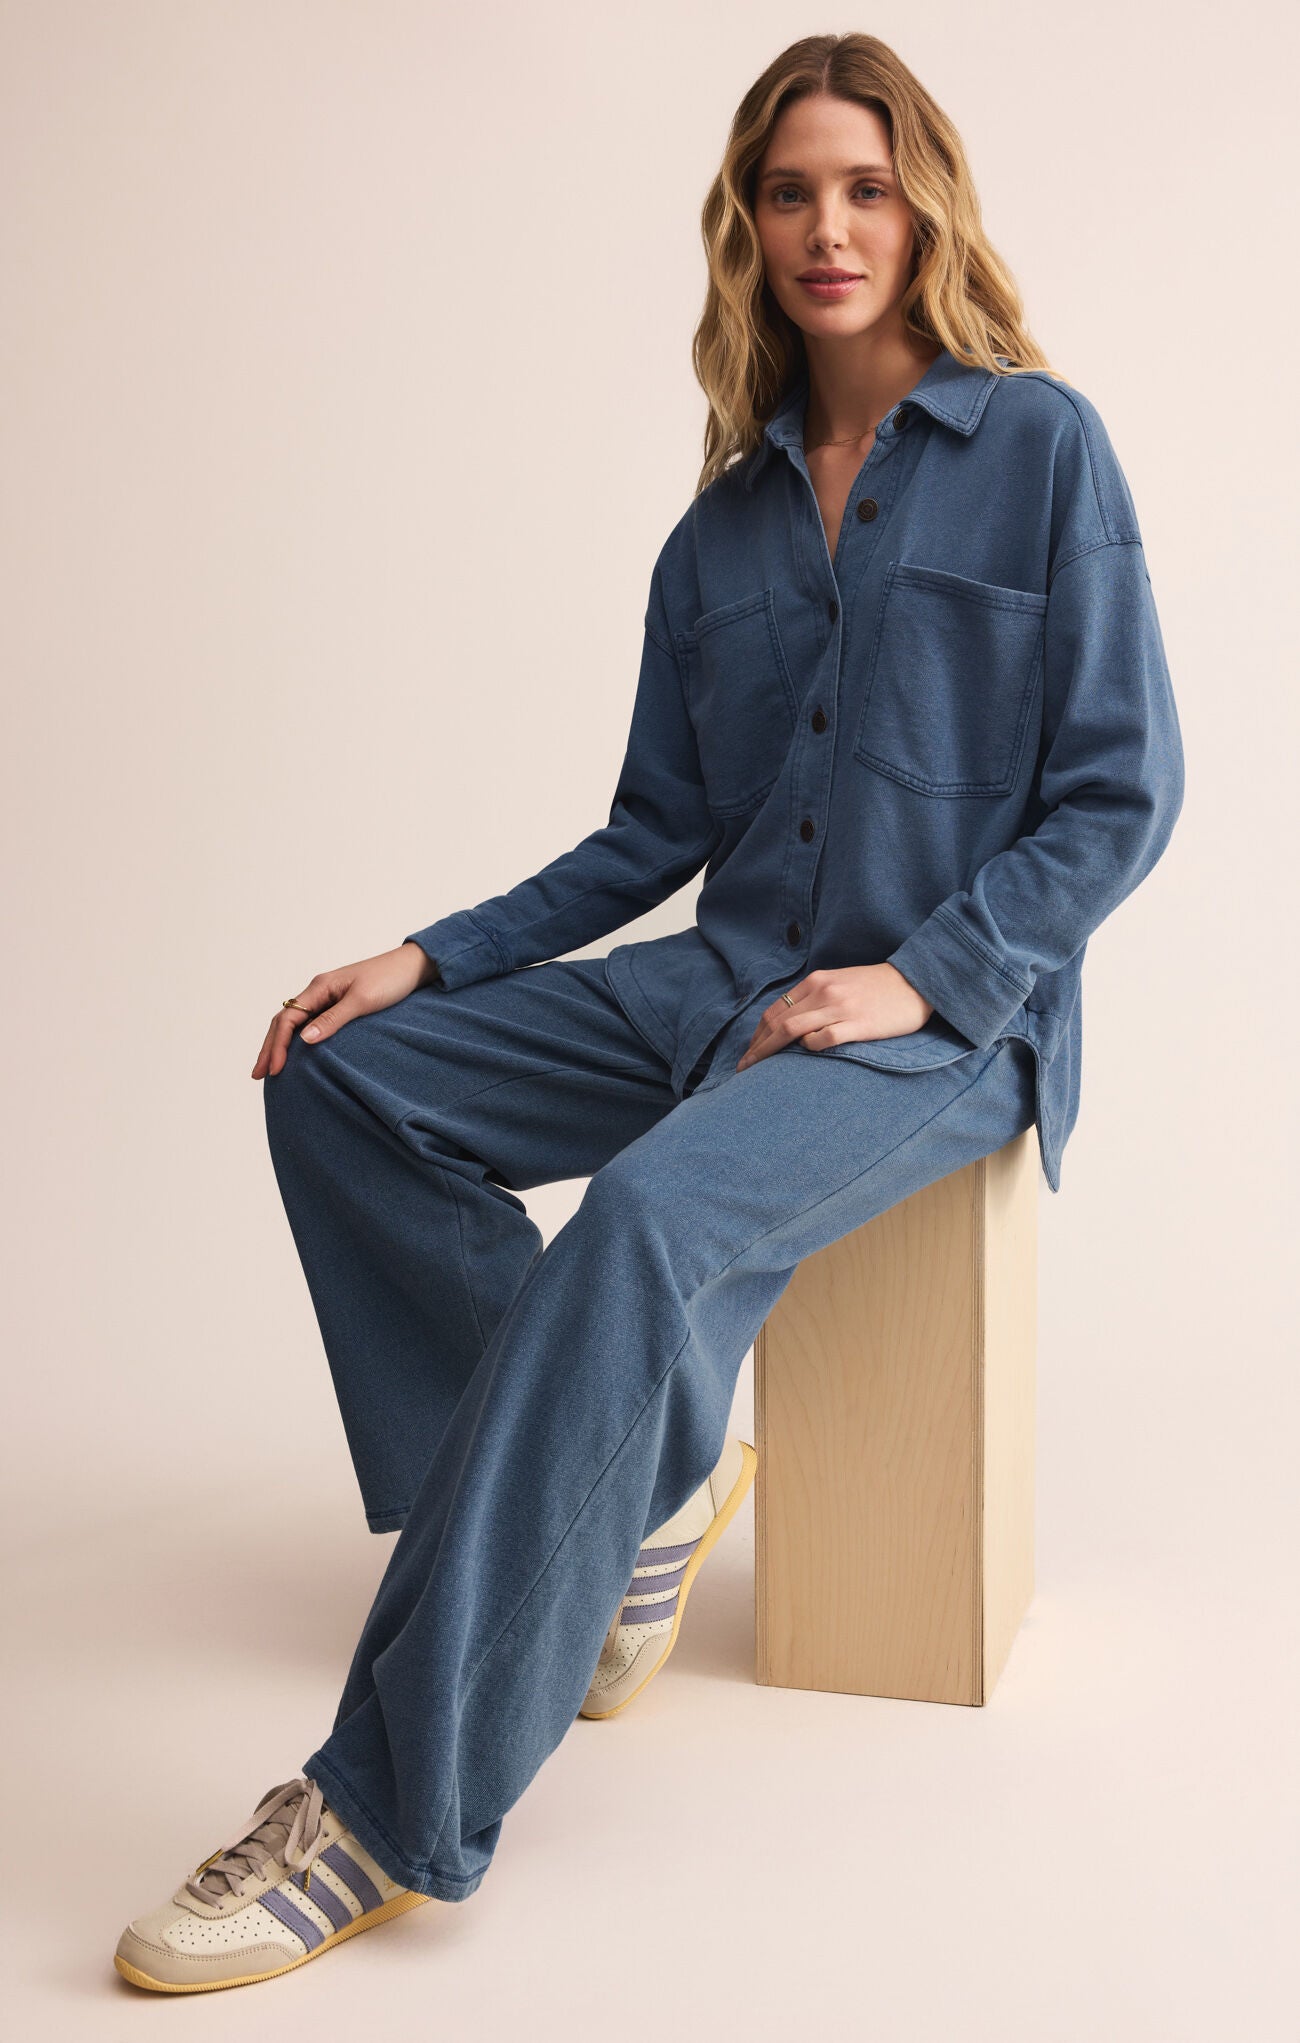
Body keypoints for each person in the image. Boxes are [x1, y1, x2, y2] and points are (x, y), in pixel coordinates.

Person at [113, 29, 1185, 1993]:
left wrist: (921, 973)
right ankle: (630, 1488)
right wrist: (428, 954)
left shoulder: (1039, 446)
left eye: (862, 185)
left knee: (639, 1233)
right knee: (339, 1078)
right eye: (789, 192)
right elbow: (650, 831)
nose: (827, 225)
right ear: (745, 227)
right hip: (720, 975)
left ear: (920, 201)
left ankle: (376, 1802)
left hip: (934, 1028)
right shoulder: (723, 532)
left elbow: (1120, 792)